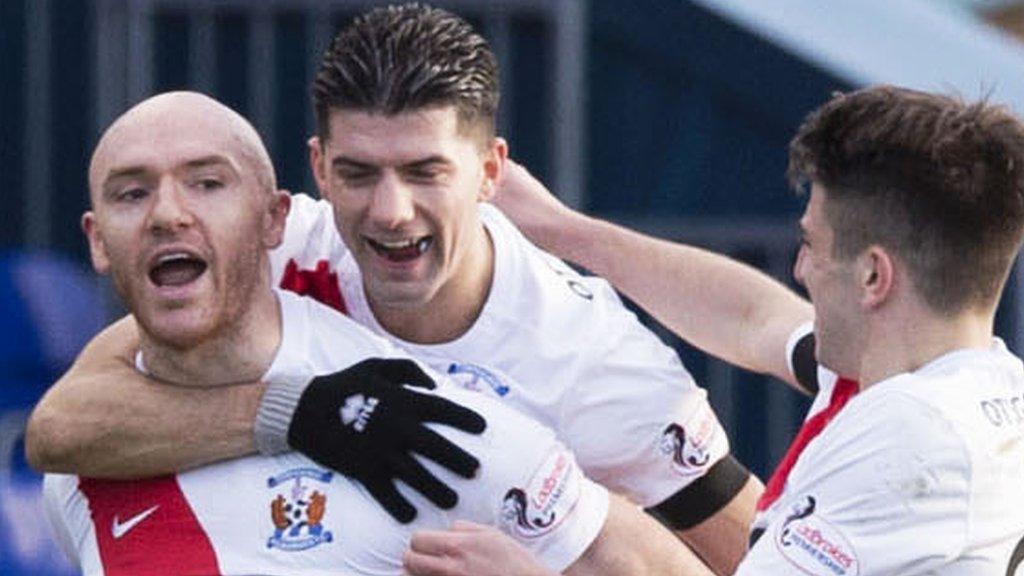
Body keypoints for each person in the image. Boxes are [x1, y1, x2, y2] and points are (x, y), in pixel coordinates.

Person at [27, 5, 783, 573]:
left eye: (425, 172)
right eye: (359, 174)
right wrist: (301, 416)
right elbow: (62, 426)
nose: (389, 213)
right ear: (318, 172)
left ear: (490, 172)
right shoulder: (281, 243)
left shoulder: (593, 363)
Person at [417, 85, 1024, 575]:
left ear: (873, 276)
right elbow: (752, 316)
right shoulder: (970, 383)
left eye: (811, 243)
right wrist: (560, 228)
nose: (799, 269)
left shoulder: (910, 435)